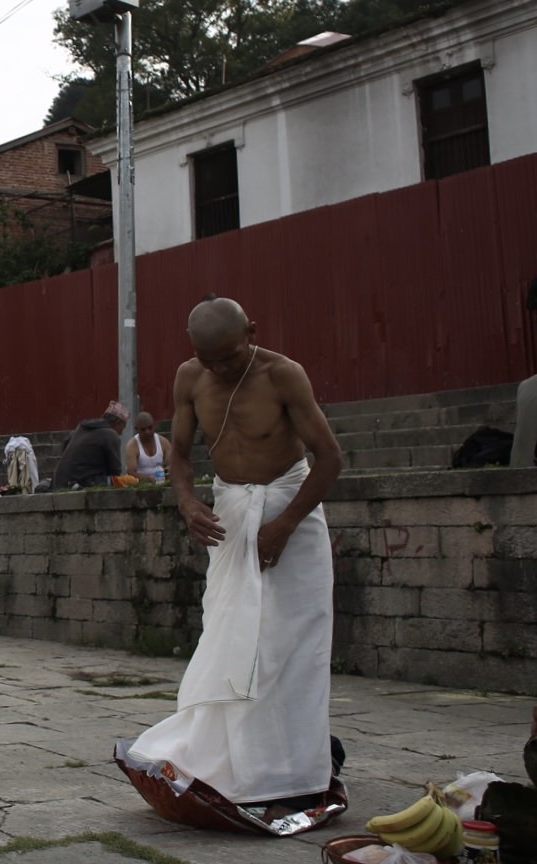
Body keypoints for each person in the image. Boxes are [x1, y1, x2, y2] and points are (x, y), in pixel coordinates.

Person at [119, 296, 344, 818]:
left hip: (291, 509)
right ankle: (234, 757)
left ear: (252, 333)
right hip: (231, 513)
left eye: (230, 357)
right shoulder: (190, 377)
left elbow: (330, 458)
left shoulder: (284, 375)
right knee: (232, 639)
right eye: (210, 360)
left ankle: (296, 766)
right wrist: (186, 502)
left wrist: (284, 525)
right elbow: (179, 452)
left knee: (292, 641)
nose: (220, 369)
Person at [52, 401, 130, 489]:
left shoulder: (81, 428)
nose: (121, 433)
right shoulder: (110, 434)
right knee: (115, 481)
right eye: (122, 427)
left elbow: (65, 444)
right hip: (78, 482)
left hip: (58, 481)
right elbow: (115, 470)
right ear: (117, 422)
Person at [124, 412, 173, 481]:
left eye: (150, 428)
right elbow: (131, 472)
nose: (147, 432)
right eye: (143, 429)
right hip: (141, 484)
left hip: (161, 482)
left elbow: (171, 465)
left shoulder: (164, 442)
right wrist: (149, 479)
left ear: (154, 426)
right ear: (136, 429)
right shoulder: (132, 446)